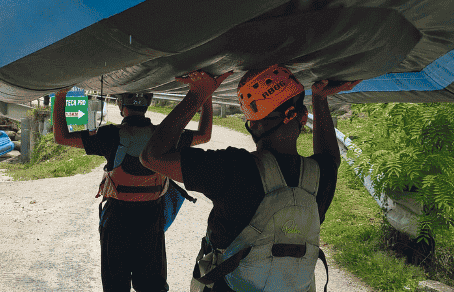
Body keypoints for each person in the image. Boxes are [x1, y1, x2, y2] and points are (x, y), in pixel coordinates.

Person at [140, 65, 361, 292]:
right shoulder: (321, 175)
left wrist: (198, 94)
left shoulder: (235, 167)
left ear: (252, 124)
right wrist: (320, 99)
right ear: (303, 118)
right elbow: (330, 157)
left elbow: (152, 157)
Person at [53, 88, 214, 292]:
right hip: (151, 219)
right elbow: (204, 135)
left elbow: (62, 137)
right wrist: (206, 97)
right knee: (152, 286)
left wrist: (60, 97)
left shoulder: (110, 136)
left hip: (116, 219)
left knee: (115, 286)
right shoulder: (164, 136)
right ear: (147, 105)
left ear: (121, 106)